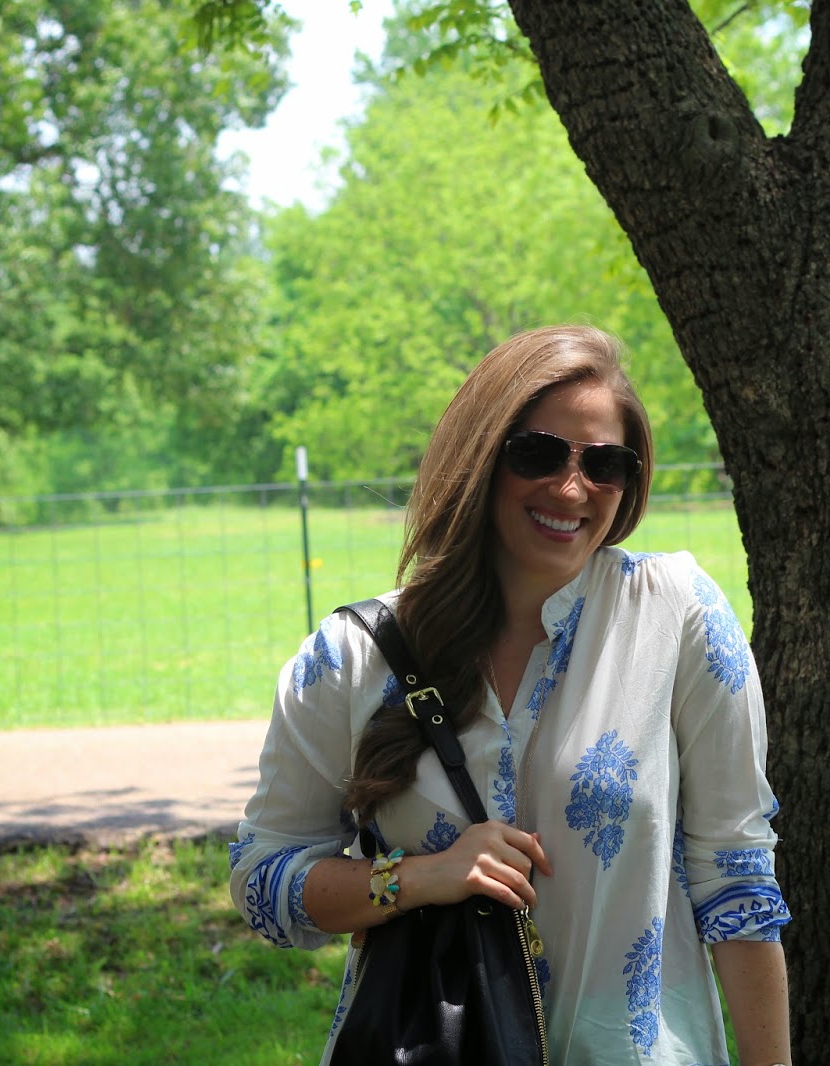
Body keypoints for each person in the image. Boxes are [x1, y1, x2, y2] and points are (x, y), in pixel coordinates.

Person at [229, 324, 793, 1066]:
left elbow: (737, 881)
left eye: (606, 464)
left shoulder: (676, 612)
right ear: (479, 457)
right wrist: (416, 878)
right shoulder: (350, 655)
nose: (572, 488)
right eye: (539, 454)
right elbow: (262, 880)